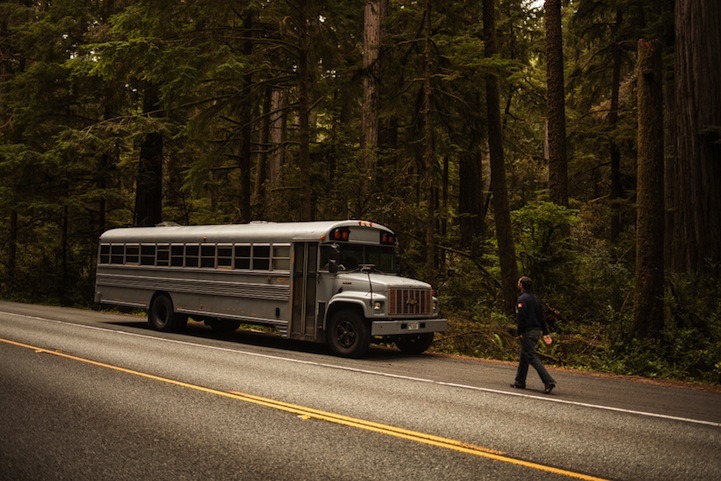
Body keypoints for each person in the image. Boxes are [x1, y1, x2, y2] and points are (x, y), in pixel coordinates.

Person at [511, 276, 556, 394]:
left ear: (521, 285)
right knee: (524, 355)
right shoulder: (536, 299)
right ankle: (519, 381)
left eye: (519, 282)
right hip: (537, 331)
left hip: (528, 331)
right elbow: (542, 317)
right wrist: (545, 332)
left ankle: (548, 381)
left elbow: (521, 317)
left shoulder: (522, 299)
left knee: (531, 356)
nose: (518, 283)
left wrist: (520, 332)